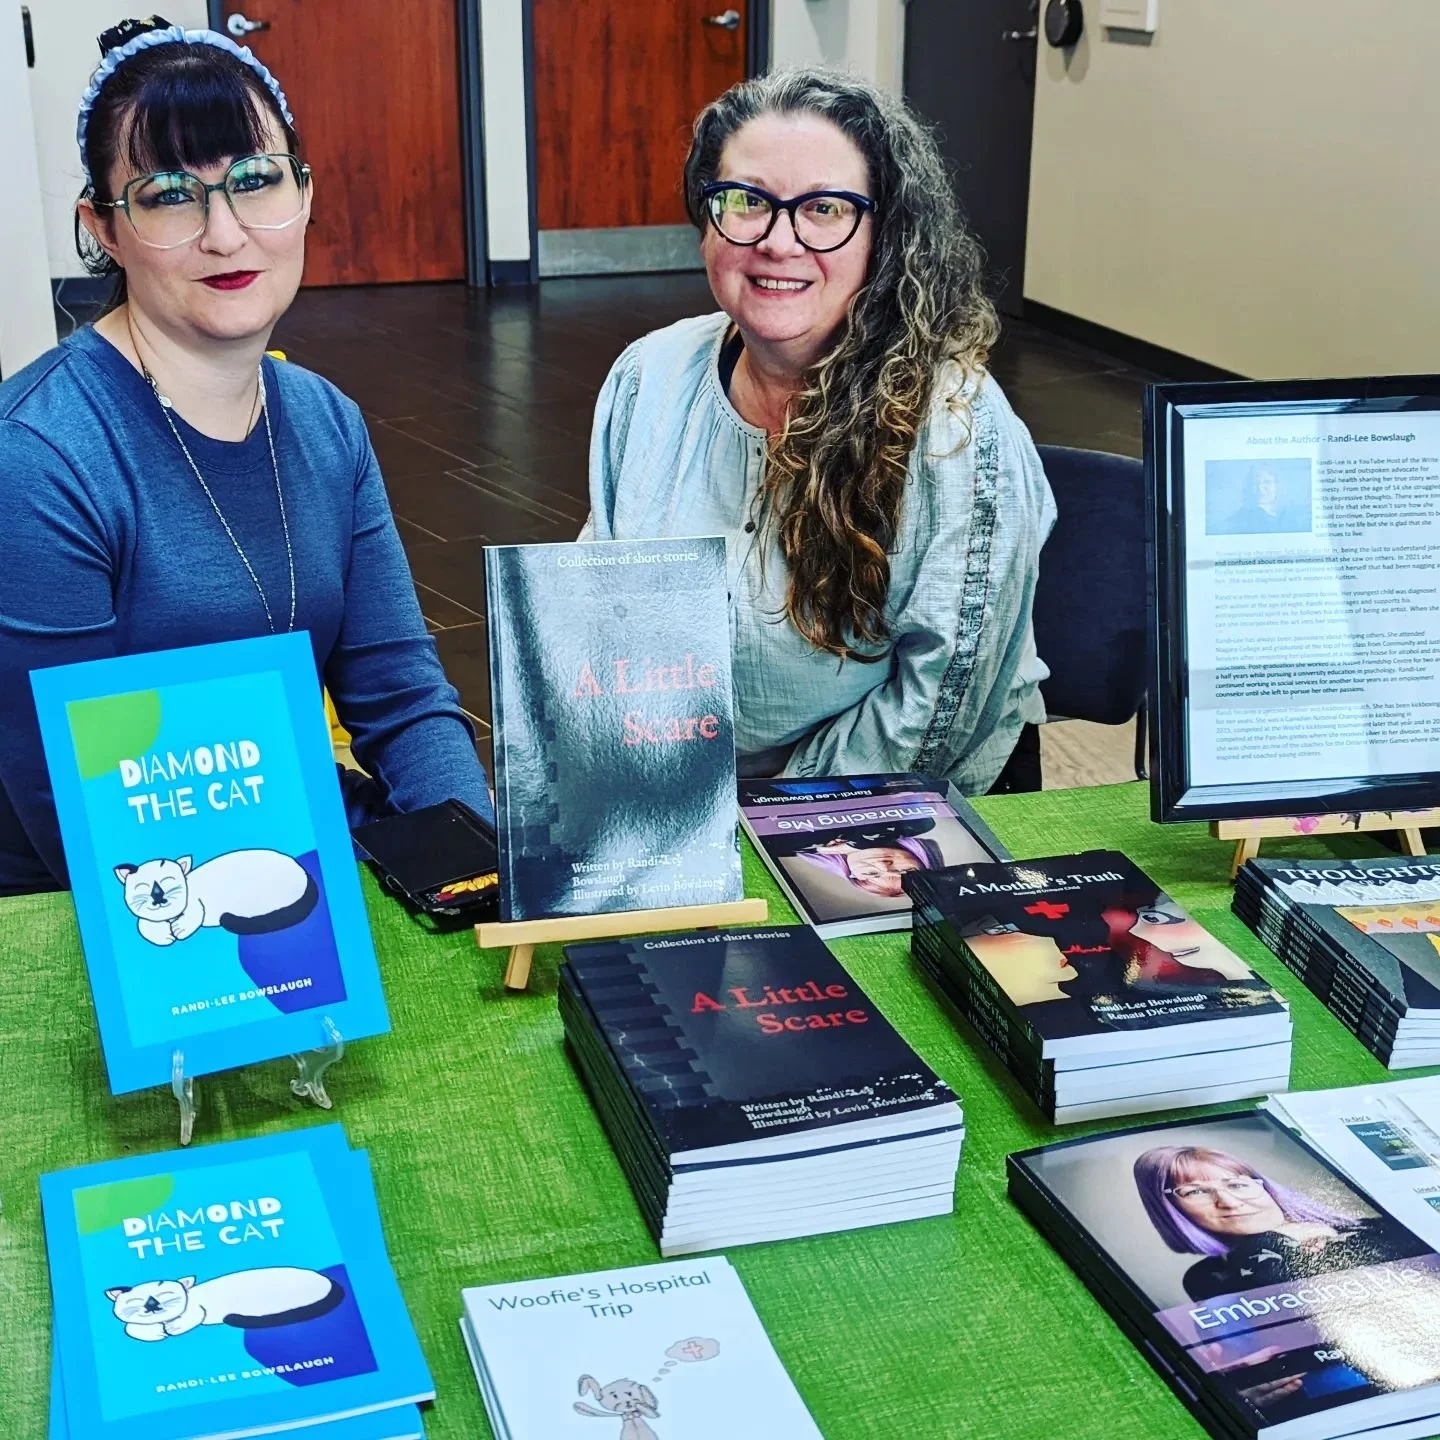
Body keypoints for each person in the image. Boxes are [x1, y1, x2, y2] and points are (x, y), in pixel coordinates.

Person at [0, 18, 491, 896]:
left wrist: (476, 864)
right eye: (167, 195)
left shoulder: (325, 420)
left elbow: (402, 697)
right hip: (124, 901)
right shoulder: (38, 455)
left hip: (289, 843)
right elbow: (74, 805)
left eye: (255, 182)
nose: (225, 234)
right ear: (103, 228)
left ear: (303, 193)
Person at [584, 70, 1055, 795]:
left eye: (825, 209)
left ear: (884, 234)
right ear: (707, 221)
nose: (779, 241)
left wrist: (776, 816)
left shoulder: (957, 426)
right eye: (746, 202)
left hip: (887, 803)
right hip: (678, 788)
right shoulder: (649, 376)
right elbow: (595, 613)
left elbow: (942, 711)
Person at [1133, 1144, 1429, 1303]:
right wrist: (1277, 1239)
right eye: (1195, 1191)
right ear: (1167, 1208)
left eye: (1237, 1184)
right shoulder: (1209, 1277)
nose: (1230, 1202)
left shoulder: (1376, 1225)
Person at [795, 823, 943, 898]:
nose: (882, 865)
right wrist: (855, 845)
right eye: (903, 870)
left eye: (872, 873)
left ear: (851, 873)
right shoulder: (917, 824)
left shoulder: (795, 846)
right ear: (922, 859)